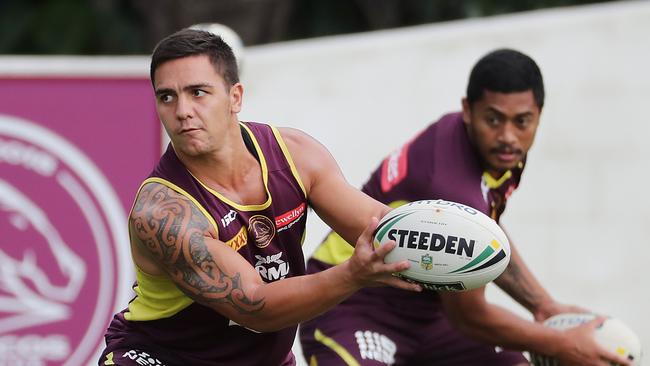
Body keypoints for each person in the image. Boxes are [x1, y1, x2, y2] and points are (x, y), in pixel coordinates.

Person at [98, 28, 421, 366]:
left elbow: (383, 230)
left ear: (235, 97)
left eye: (198, 92)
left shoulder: (295, 155)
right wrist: (352, 274)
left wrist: (466, 247)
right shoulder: (163, 213)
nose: (182, 111)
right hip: (160, 357)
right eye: (167, 97)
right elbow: (256, 306)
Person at [299, 49, 631, 366]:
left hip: (429, 315)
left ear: (539, 116)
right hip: (356, 307)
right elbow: (470, 317)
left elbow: (486, 239)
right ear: (468, 110)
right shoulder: (451, 186)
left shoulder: (487, 150)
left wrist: (543, 306)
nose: (508, 137)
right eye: (494, 119)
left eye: (522, 121)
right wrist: (561, 342)